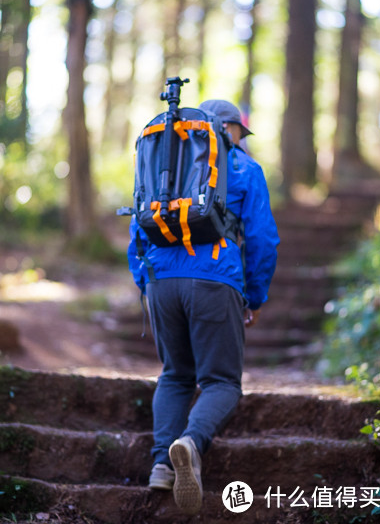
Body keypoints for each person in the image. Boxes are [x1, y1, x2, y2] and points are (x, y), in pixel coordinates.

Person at [127, 99, 280, 515]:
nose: (239, 142)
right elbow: (264, 239)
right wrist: (255, 296)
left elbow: (137, 228)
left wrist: (147, 282)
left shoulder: (164, 165)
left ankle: (161, 464)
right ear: (227, 128)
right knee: (222, 382)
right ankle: (191, 443)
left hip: (161, 281)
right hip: (214, 279)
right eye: (238, 134)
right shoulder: (245, 168)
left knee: (175, 374)